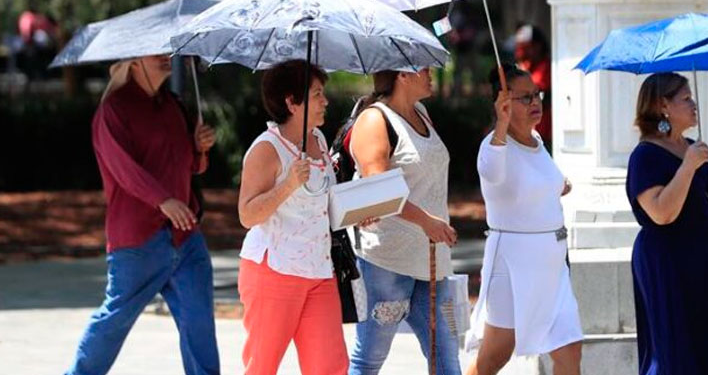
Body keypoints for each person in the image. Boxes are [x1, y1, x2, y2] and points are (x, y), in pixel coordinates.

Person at [66, 55, 220, 375]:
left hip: (186, 235)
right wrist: (162, 199)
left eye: (167, 51)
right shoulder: (113, 110)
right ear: (134, 61)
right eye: (156, 53)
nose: (167, 58)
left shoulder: (173, 105)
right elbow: (123, 169)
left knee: (199, 324)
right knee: (114, 321)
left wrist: (200, 147)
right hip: (138, 241)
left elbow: (190, 165)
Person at [465, 64, 583, 375]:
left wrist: (559, 186)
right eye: (525, 97)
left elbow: (545, 184)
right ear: (503, 103)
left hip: (553, 266)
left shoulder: (537, 143)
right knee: (493, 357)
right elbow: (491, 172)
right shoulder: (494, 146)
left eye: (537, 95)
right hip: (513, 265)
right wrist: (502, 124)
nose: (535, 102)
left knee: (570, 350)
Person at [236, 60, 349, 375]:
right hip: (274, 271)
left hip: (319, 271)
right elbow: (247, 214)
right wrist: (287, 185)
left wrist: (358, 213)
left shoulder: (319, 140)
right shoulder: (266, 149)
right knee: (262, 367)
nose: (325, 101)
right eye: (316, 94)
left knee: (330, 367)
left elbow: (320, 203)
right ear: (291, 102)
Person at [348, 68, 461, 375]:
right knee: (369, 359)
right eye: (422, 68)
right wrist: (426, 221)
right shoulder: (374, 119)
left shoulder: (421, 112)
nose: (431, 73)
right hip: (388, 261)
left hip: (432, 261)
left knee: (447, 360)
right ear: (402, 74)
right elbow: (377, 188)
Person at [625, 73, 708, 375]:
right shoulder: (645, 156)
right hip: (668, 265)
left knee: (707, 348)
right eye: (686, 99)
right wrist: (687, 166)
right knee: (672, 356)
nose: (694, 104)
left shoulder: (691, 146)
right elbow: (662, 213)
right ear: (663, 106)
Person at [513, 23, 551, 146]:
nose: (521, 53)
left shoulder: (546, 68)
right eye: (519, 48)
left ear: (538, 46)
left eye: (526, 48)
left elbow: (535, 88)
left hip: (544, 135)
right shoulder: (526, 67)